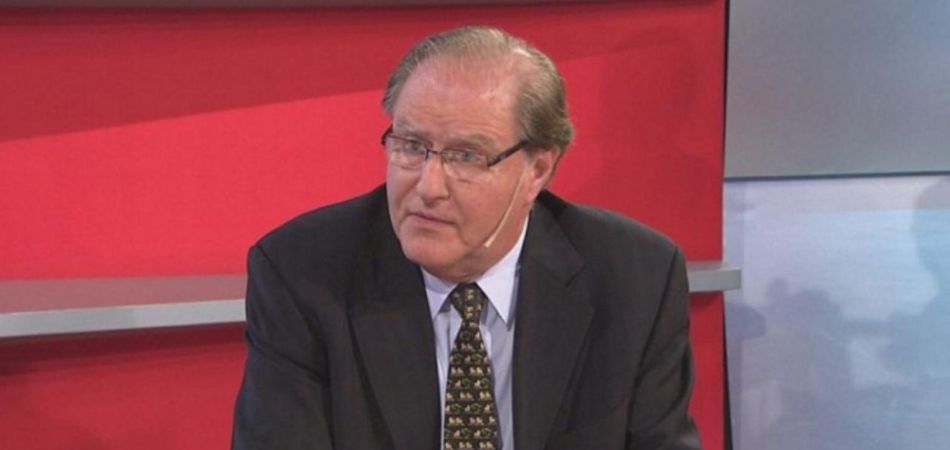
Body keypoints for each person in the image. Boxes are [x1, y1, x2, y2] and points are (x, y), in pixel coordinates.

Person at [232, 26, 700, 450]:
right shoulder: (303, 272)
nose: (428, 187)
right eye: (411, 146)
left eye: (466, 156)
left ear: (537, 170)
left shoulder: (635, 278)